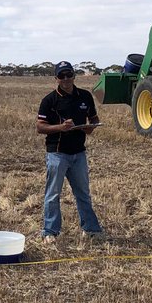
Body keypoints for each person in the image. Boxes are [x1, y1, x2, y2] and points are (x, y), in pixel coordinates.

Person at [36, 61, 103, 242]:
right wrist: (61, 127)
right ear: (56, 79)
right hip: (57, 154)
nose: (66, 79)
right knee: (53, 194)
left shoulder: (85, 96)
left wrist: (91, 127)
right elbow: (40, 127)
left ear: (74, 75)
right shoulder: (49, 100)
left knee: (83, 192)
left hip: (79, 153)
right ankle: (50, 231)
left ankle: (91, 229)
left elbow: (94, 118)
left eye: (69, 75)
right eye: (62, 76)